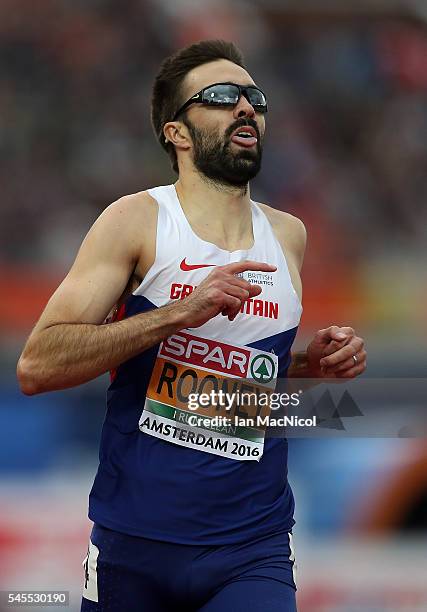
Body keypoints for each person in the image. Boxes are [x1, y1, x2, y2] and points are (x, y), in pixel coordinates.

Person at [17, 40, 366, 612]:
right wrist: (180, 311)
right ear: (176, 132)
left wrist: (309, 367)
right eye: (223, 97)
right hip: (135, 544)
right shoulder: (138, 221)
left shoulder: (289, 236)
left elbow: (242, 389)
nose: (246, 107)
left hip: (253, 547)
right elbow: (37, 365)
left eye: (254, 97)